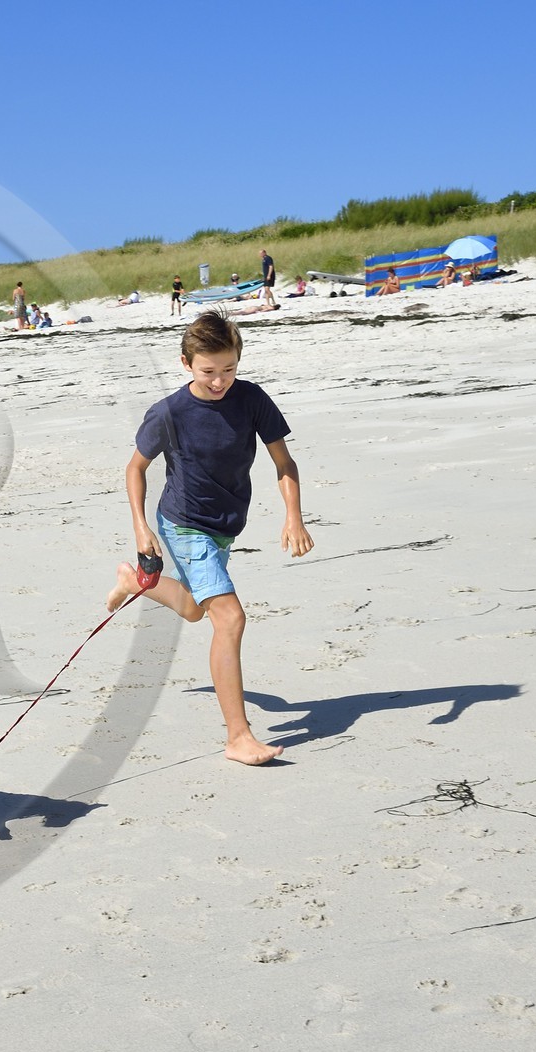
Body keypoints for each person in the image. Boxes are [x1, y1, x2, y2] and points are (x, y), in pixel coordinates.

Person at [104, 310, 313, 766]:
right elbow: (136, 468)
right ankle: (238, 737)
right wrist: (141, 527)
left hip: (224, 525)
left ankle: (135, 580)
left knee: (197, 611)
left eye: (229, 369)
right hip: (183, 522)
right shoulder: (169, 413)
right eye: (208, 372)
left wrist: (293, 517)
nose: (220, 381)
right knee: (229, 618)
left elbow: (285, 463)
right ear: (185, 363)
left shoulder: (252, 400)